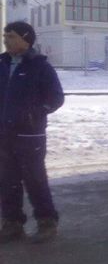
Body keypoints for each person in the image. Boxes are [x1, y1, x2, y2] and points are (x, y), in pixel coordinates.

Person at [0, 21, 64, 243]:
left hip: (30, 135)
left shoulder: (40, 67)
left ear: (25, 39)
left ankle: (47, 222)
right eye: (5, 35)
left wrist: (35, 114)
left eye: (11, 36)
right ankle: (12, 224)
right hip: (4, 134)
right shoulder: (1, 63)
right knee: (7, 180)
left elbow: (56, 98)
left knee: (34, 179)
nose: (6, 40)